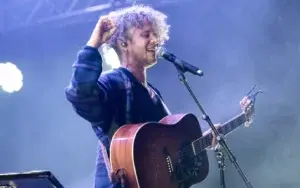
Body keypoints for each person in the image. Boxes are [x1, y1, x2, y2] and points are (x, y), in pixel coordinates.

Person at [65, 4, 249, 188]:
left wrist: (205, 140)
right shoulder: (114, 82)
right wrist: (93, 44)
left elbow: (167, 152)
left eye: (156, 35)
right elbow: (80, 95)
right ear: (123, 43)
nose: (155, 40)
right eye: (146, 35)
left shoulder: (153, 94)